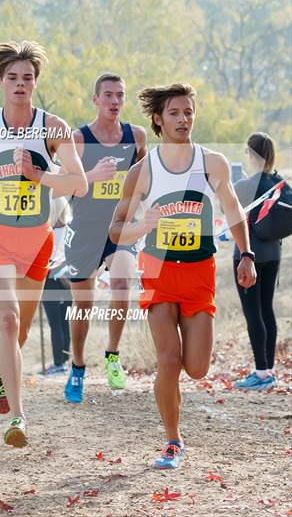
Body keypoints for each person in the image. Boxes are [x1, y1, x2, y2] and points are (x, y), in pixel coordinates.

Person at [0, 40, 88, 446]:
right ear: (0, 81)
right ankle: (19, 420)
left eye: (27, 77)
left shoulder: (54, 127)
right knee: (6, 321)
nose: (20, 84)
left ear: (35, 82)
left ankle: (0, 369)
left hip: (37, 242)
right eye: (12, 77)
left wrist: (39, 176)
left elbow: (77, 183)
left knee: (21, 330)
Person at [109, 82, 256, 469]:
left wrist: (246, 254)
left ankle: (174, 416)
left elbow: (235, 209)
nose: (183, 119)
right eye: (174, 113)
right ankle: (172, 441)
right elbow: (116, 230)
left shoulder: (212, 163)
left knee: (197, 367)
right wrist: (145, 226)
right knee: (168, 360)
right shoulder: (143, 171)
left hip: (198, 273)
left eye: (189, 112)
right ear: (158, 119)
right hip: (157, 271)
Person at [64, 73, 147, 403]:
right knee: (83, 306)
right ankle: (78, 366)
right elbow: (63, 185)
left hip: (120, 227)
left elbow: (145, 178)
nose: (115, 101)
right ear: (95, 100)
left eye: (120, 95)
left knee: (124, 282)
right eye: (108, 95)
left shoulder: (136, 136)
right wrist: (90, 176)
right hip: (84, 231)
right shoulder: (79, 139)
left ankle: (112, 355)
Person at [233, 133, 281, 390]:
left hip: (248, 256)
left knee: (253, 312)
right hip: (273, 254)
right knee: (267, 310)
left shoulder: (243, 186)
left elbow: (227, 214)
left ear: (251, 154)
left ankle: (261, 374)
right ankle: (269, 370)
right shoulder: (280, 183)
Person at [40, 196, 72, 375]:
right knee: (64, 322)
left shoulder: (46, 232)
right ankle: (64, 362)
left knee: (55, 324)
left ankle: (58, 363)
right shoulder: (70, 230)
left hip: (50, 279)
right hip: (68, 280)